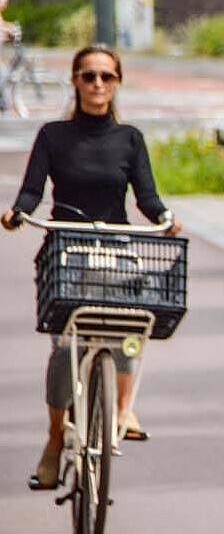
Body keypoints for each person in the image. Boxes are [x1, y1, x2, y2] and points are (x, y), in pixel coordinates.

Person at [1, 43, 182, 490]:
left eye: (106, 76)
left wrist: (165, 220)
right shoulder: (52, 136)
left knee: (132, 328)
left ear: (117, 82)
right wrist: (17, 213)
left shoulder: (130, 138)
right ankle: (53, 438)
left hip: (117, 246)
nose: (98, 84)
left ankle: (123, 409)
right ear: (75, 82)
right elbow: (31, 192)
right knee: (65, 346)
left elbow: (147, 197)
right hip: (67, 248)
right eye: (88, 76)